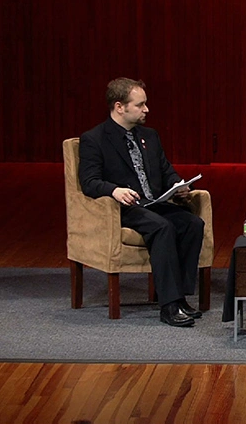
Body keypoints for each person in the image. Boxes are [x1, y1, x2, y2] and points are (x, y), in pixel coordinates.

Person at [79, 78, 205, 327]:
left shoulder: (150, 136)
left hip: (153, 202)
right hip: (124, 208)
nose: (146, 109)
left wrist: (178, 186)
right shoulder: (94, 139)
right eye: (140, 104)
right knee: (162, 227)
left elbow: (165, 169)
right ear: (119, 107)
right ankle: (169, 306)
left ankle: (179, 296)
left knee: (192, 224)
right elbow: (89, 182)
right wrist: (114, 190)